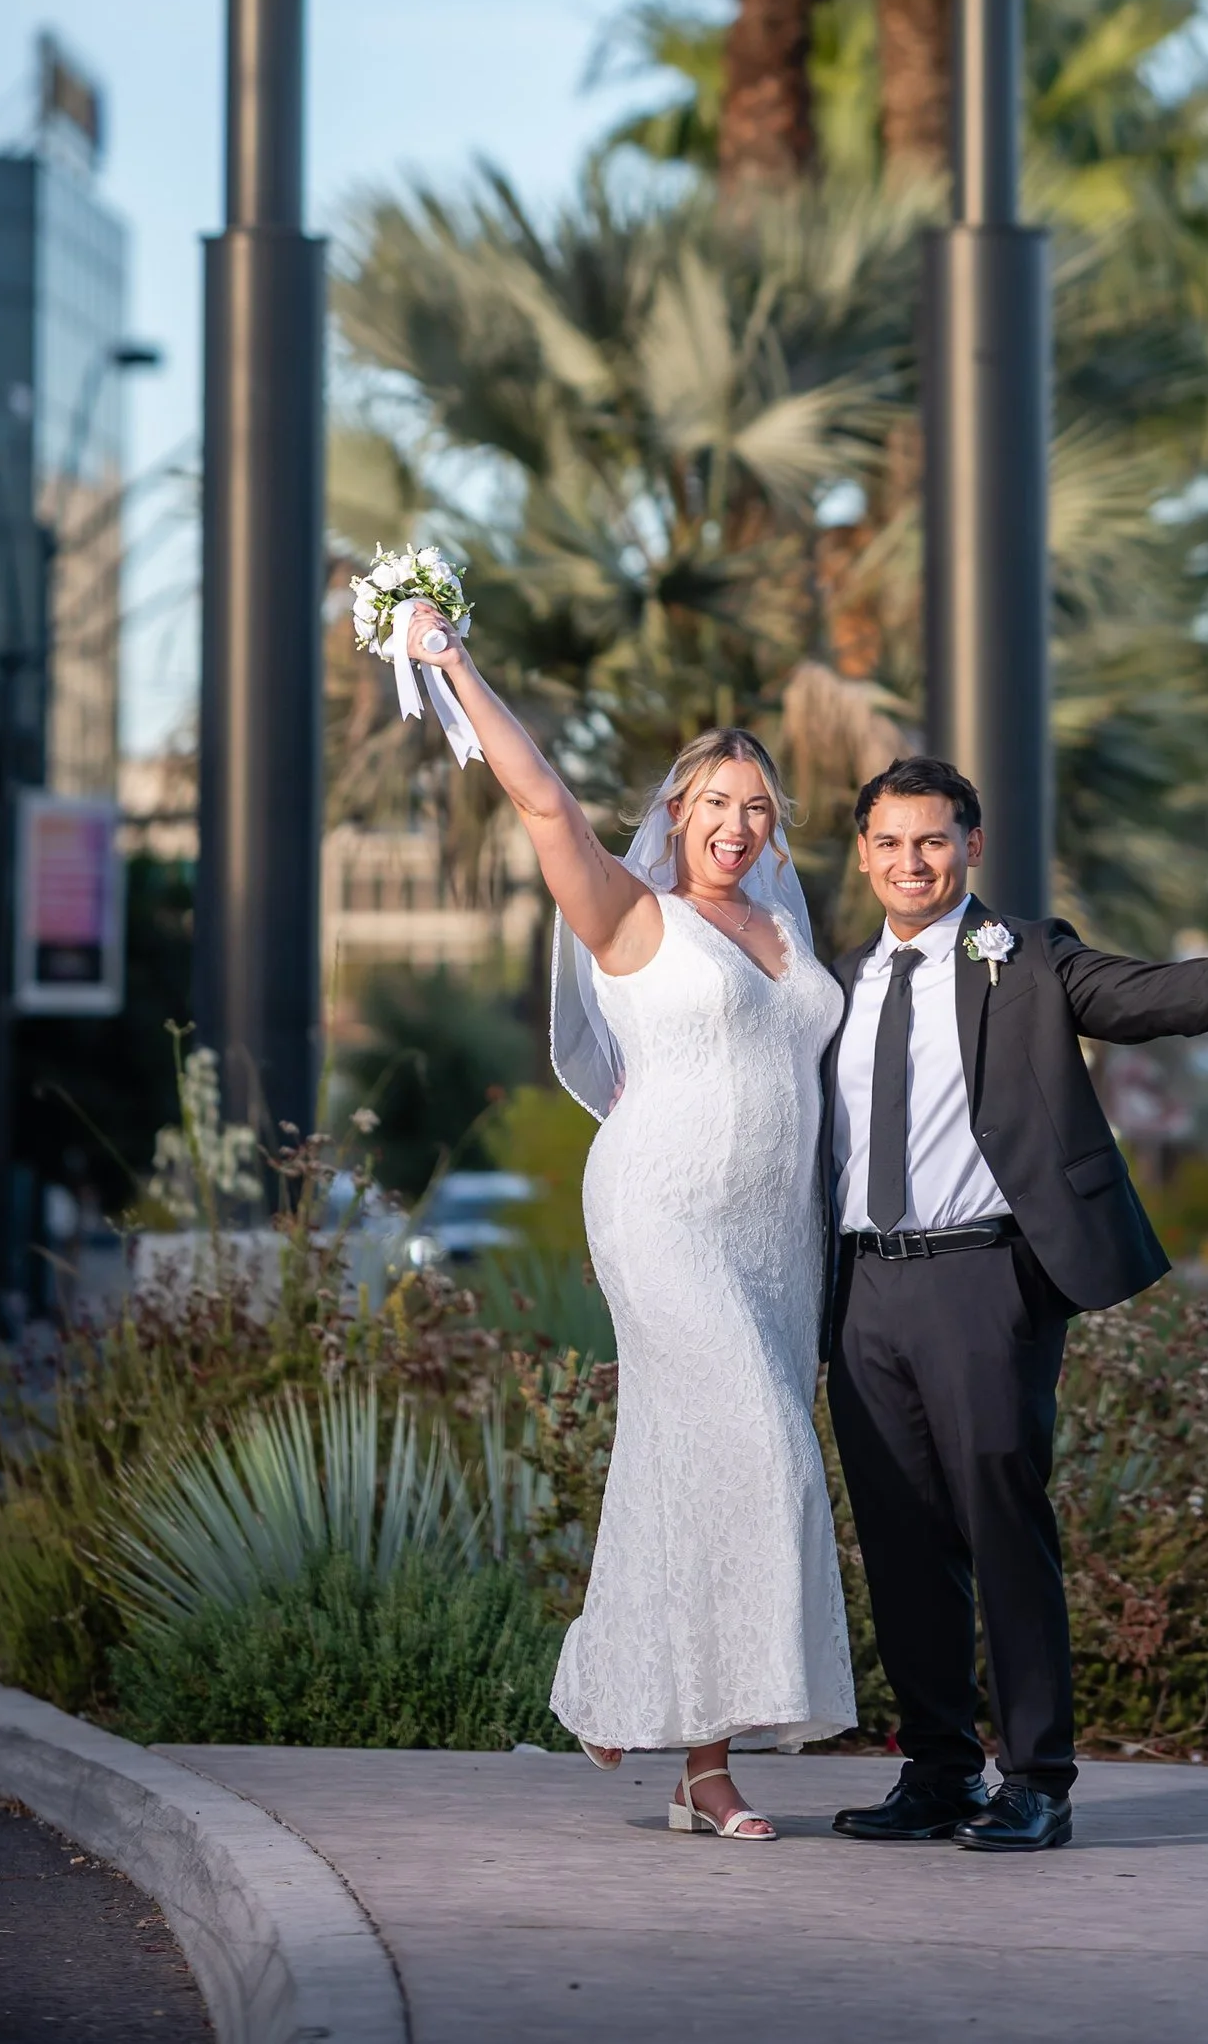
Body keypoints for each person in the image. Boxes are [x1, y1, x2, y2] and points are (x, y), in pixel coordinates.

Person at [824, 756, 1208, 1857]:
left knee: (999, 1526)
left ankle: (1035, 1780)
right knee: (897, 1541)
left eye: (932, 840)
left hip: (982, 1279)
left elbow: (1144, 998)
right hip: (861, 1284)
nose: (910, 862)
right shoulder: (833, 984)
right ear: (863, 853)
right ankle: (934, 1768)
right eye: (889, 842)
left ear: (970, 845)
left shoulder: (1024, 958)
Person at [397, 603, 853, 1839]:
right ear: (677, 812)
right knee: (762, 1447)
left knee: (686, 1463)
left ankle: (694, 1765)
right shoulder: (629, 913)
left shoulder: (786, 930)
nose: (738, 824)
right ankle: (626, 1681)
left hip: (773, 1237)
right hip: (661, 1212)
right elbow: (542, 798)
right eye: (716, 802)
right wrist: (454, 665)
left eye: (758, 807)